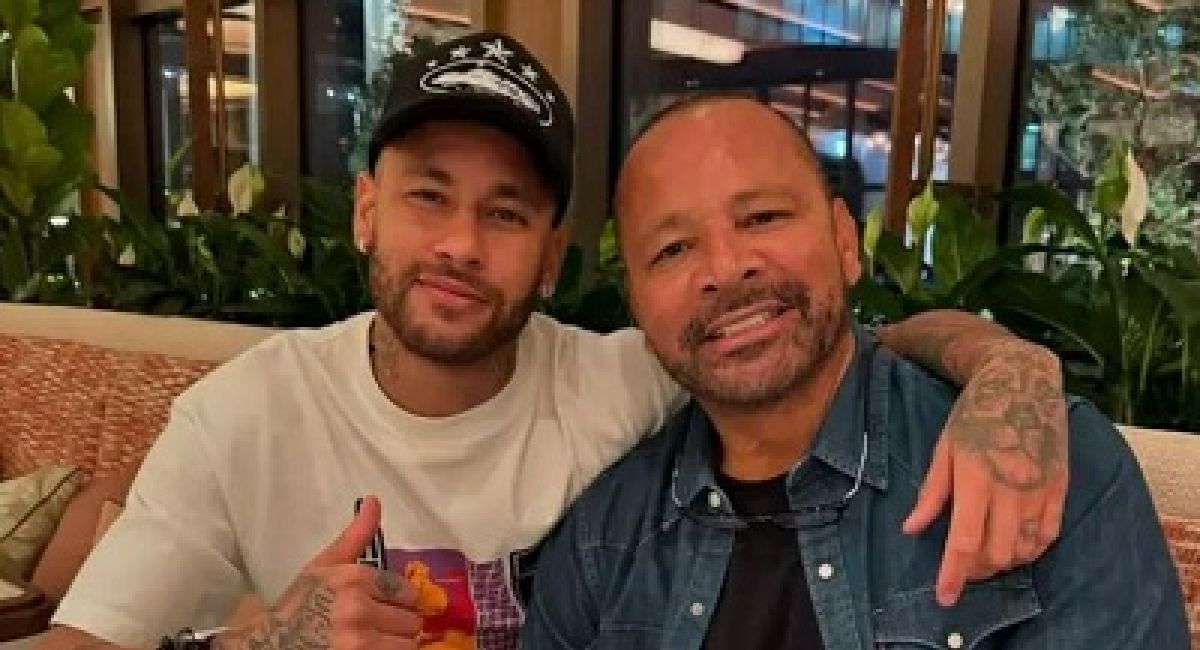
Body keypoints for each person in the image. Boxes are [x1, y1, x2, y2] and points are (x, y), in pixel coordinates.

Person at [41, 35, 1069, 650]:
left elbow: (826, 339)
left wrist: (1006, 366)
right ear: (365, 211)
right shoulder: (242, 418)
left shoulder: (625, 379)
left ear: (550, 257)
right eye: (428, 196)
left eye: (505, 212)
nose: (459, 244)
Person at [521, 94, 1190, 650]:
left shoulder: (1041, 464)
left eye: (763, 217)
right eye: (672, 249)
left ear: (845, 241)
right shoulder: (602, 541)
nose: (725, 268)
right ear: (637, 303)